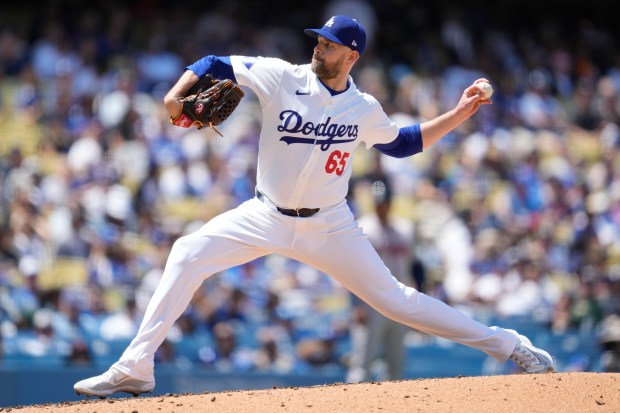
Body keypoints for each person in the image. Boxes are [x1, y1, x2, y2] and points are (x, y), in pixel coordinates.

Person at [74, 15, 555, 398]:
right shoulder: (281, 76)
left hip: (330, 226)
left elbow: (404, 144)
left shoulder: (362, 107)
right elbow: (213, 62)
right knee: (187, 253)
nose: (318, 47)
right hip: (264, 216)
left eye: (327, 44)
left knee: (396, 302)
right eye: (318, 41)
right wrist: (175, 96)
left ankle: (510, 345)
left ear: (352, 55)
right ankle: (134, 367)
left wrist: (458, 113)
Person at [346, 172, 419, 383]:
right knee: (362, 362)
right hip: (370, 303)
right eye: (379, 202)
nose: (382, 206)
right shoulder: (362, 227)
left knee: (396, 362)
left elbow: (415, 266)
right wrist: (356, 304)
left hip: (399, 301)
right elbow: (351, 268)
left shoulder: (404, 229)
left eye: (385, 202)